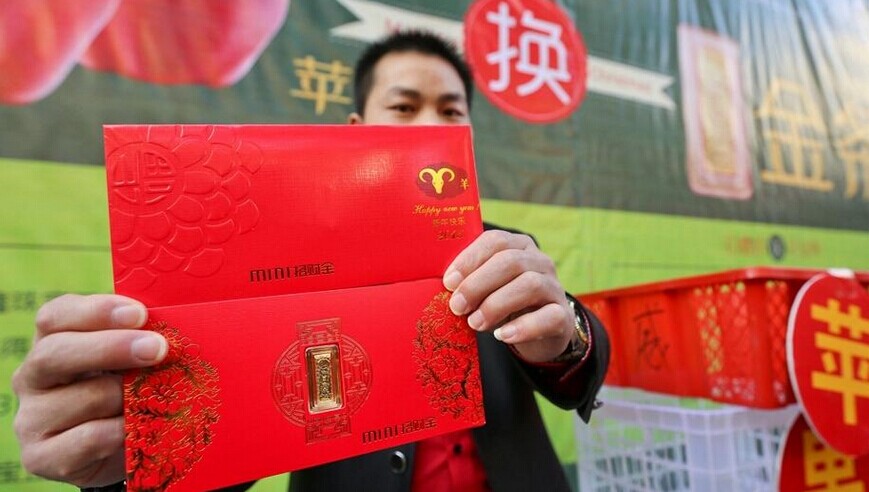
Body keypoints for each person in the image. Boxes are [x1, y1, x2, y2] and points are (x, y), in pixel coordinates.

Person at [12, 31, 608, 492]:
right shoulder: (291, 268)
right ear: (356, 129)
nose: (430, 126)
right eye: (404, 107)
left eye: (451, 111)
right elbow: (224, 437)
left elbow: (581, 364)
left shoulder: (503, 247)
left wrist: (567, 339)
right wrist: (128, 460)